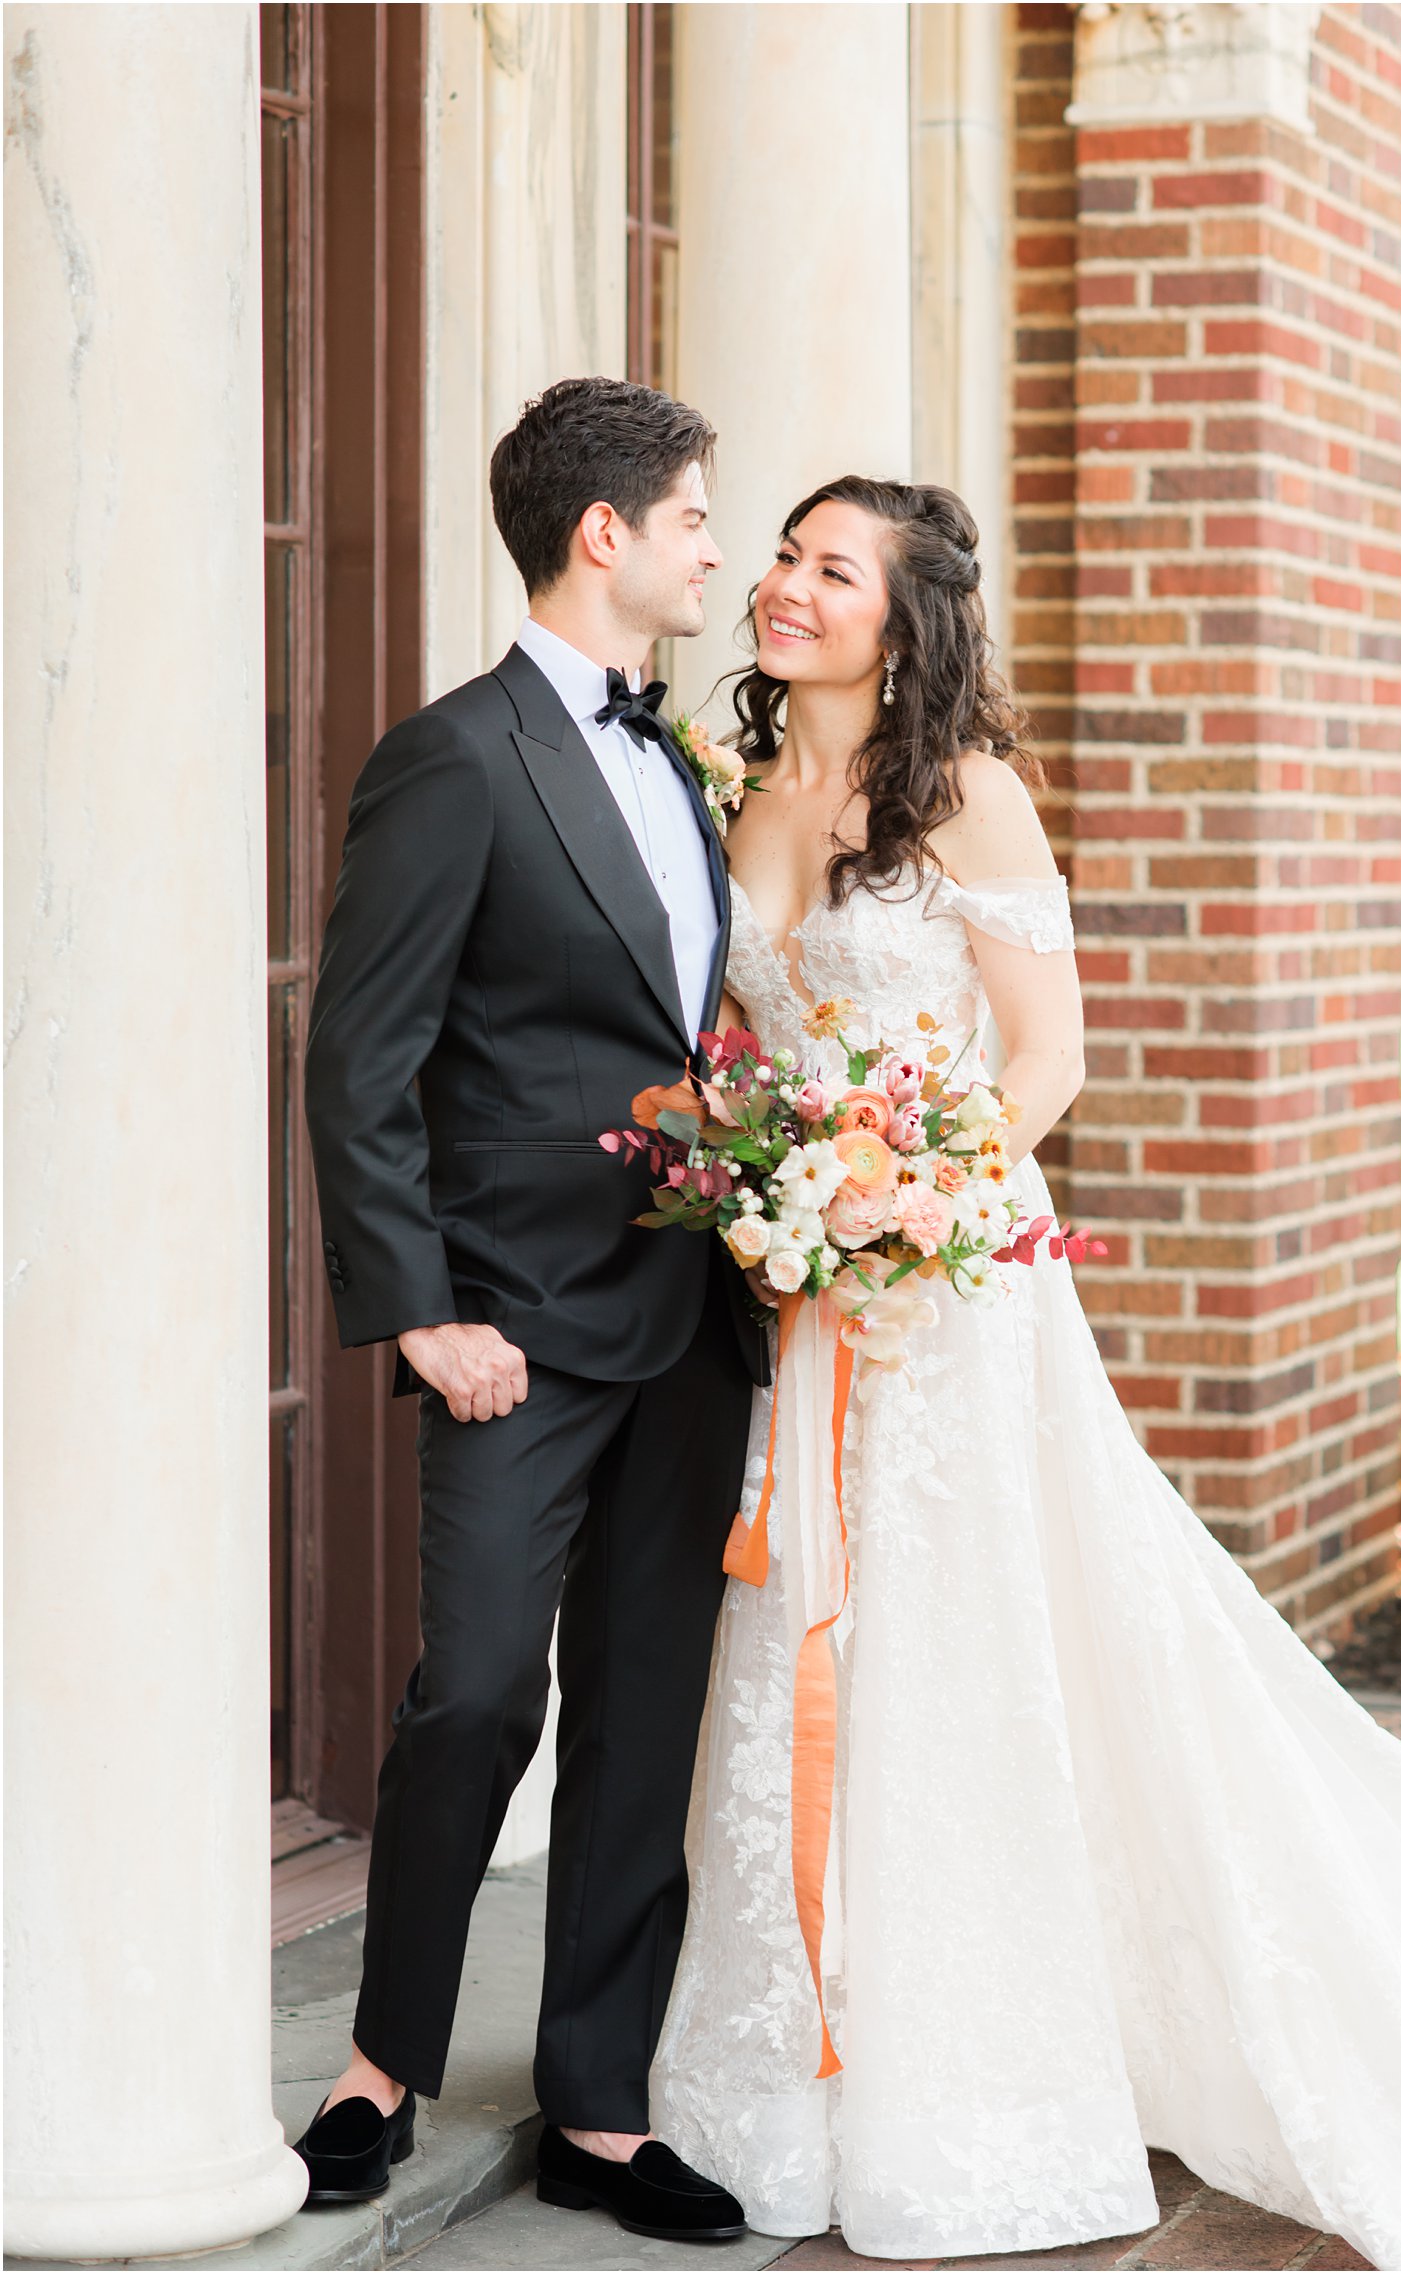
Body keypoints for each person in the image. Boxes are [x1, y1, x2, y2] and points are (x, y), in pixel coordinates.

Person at [647, 475, 1401, 2273]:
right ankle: (804, 2056)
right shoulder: (746, 789)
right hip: (807, 1296)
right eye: (785, 558)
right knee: (821, 1627)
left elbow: (1049, 1060)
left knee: (976, 1645)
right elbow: (741, 1040)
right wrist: (767, 1178)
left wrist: (898, 1201)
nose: (788, 588)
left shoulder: (963, 793)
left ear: (908, 619)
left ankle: (973, 2064)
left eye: (831, 568)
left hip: (954, 1299)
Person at [296, 376, 765, 2243]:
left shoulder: (682, 765)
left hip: (693, 1323)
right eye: (700, 518)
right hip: (514, 1328)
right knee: (479, 1690)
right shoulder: (454, 755)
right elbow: (360, 1053)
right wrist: (422, 1312)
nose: (716, 550)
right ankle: (380, 2060)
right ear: (608, 535)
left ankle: (598, 2106)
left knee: (647, 1717)